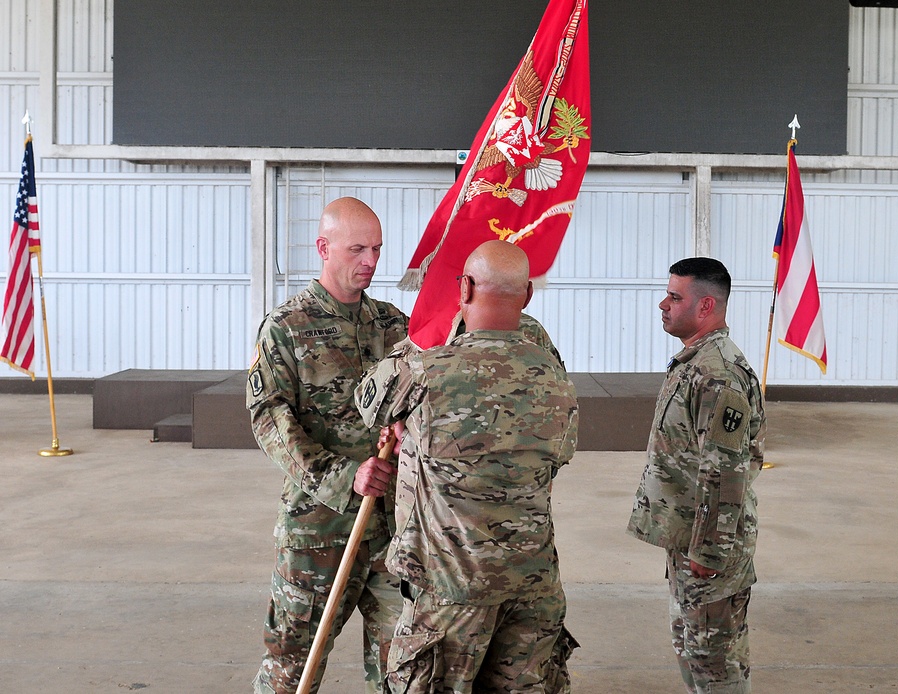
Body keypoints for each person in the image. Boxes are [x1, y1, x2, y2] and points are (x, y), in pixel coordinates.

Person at [355, 240, 579, 693]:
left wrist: (426, 331)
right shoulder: (556, 378)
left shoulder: (425, 372)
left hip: (451, 589)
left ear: (466, 288)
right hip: (532, 586)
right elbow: (551, 461)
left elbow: (368, 400)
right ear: (528, 296)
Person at [246, 197, 409, 694]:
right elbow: (269, 418)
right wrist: (344, 476)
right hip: (320, 531)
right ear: (323, 247)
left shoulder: (395, 326)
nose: (371, 262)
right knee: (292, 668)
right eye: (357, 248)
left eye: (377, 249)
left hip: (394, 532)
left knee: (404, 666)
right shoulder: (287, 327)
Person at [627, 257, 766, 694]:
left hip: (709, 550)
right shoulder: (695, 362)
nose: (662, 304)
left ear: (706, 306)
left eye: (674, 296)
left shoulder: (716, 374)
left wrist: (707, 552)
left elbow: (726, 473)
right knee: (695, 652)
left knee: (714, 664)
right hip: (689, 538)